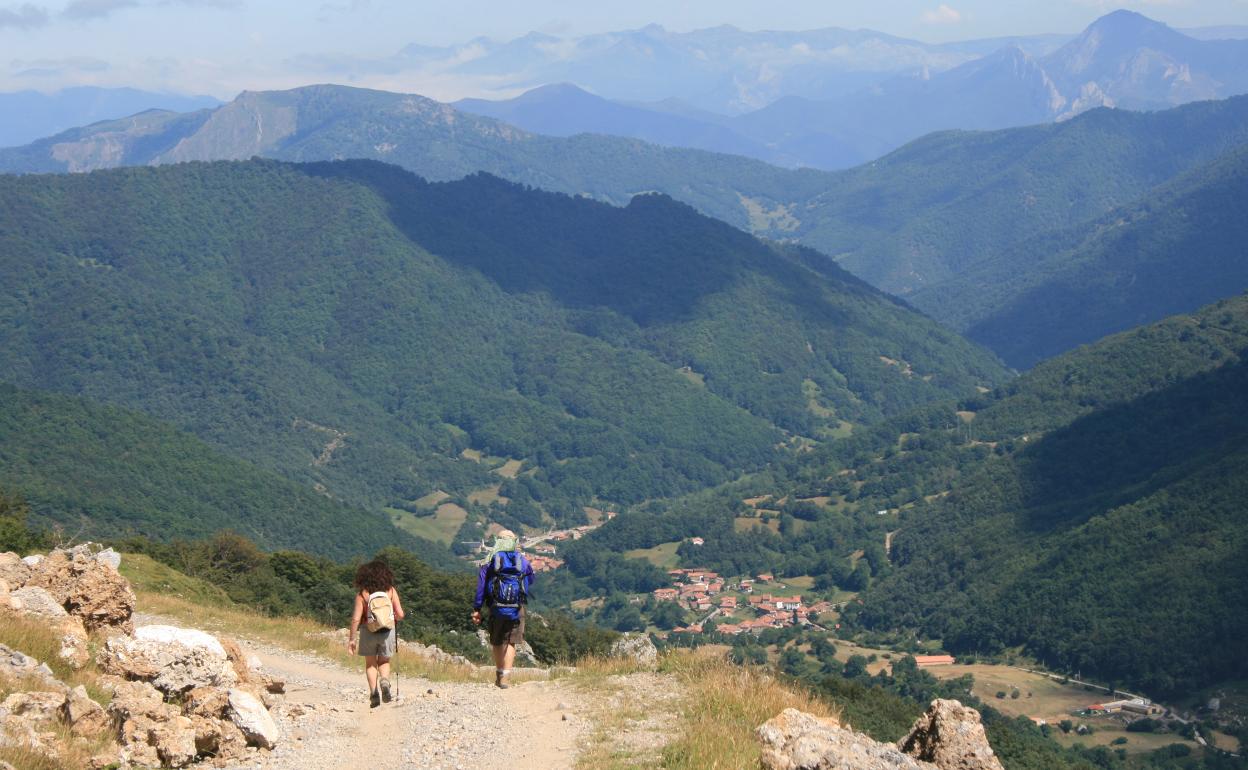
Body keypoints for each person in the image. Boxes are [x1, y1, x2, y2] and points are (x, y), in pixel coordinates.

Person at [472, 530, 534, 689]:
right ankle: (506, 677)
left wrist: (477, 608)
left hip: (496, 607)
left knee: (497, 640)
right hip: (516, 607)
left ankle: (499, 675)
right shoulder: (522, 561)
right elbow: (531, 579)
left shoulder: (490, 560)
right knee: (511, 642)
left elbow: (481, 585)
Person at [347, 559, 405, 708]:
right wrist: (393, 618)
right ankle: (384, 681)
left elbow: (355, 619)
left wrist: (352, 639)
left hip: (368, 630)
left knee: (370, 664)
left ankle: (373, 692)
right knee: (384, 661)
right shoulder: (391, 591)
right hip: (387, 631)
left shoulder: (362, 594)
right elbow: (400, 614)